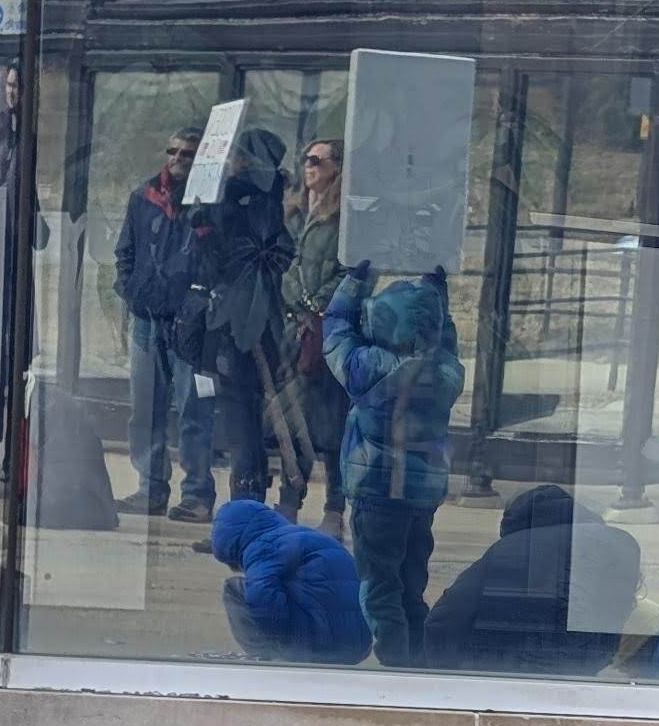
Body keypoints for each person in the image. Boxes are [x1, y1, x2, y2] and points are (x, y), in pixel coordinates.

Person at [323, 259, 464, 667]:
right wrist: (436, 290)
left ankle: (394, 662)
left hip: (375, 494)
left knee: (379, 584)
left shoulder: (366, 367)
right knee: (411, 581)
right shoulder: (446, 372)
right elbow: (445, 336)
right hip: (422, 494)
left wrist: (356, 279)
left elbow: (335, 328)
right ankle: (417, 658)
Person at [176, 127, 295, 524]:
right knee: (242, 423)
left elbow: (234, 256)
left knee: (241, 423)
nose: (229, 163)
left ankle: (245, 519)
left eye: (236, 156)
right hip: (248, 322)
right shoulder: (266, 198)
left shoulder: (250, 200)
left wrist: (212, 217)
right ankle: (249, 513)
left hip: (244, 326)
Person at [423, 481, 642, 673]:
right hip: (586, 661)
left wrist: (450, 676)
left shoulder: (512, 547)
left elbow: (445, 619)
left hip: (514, 669)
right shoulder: (620, 542)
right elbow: (616, 612)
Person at [113, 128, 215, 518]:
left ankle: (198, 494)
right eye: (172, 151)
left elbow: (216, 258)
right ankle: (151, 487)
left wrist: (199, 301)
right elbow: (126, 249)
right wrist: (130, 290)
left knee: (194, 409)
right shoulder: (144, 196)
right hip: (148, 317)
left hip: (191, 322)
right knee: (146, 408)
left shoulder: (210, 201)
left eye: (187, 154)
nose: (177, 159)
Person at [271, 137, 348, 536]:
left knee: (332, 423)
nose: (308, 166)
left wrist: (317, 304)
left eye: (317, 160)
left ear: (337, 166)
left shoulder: (345, 219)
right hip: (292, 332)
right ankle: (289, 501)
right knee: (291, 421)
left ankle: (335, 507)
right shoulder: (296, 214)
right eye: (305, 159)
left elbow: (351, 272)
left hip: (327, 331)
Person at [208, 498, 371, 666]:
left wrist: (278, 640)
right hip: (357, 646)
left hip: (315, 646)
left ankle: (262, 657)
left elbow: (263, 599)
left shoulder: (263, 546)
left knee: (234, 589)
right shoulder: (309, 537)